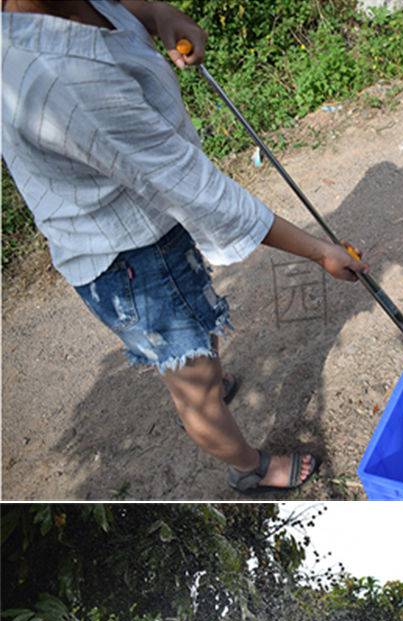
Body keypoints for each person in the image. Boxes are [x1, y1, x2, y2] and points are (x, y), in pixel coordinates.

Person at [1, 0, 368, 493]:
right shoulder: (61, 78)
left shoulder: (56, 10)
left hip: (141, 227)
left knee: (196, 347)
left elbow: (122, 9)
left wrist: (157, 15)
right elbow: (195, 189)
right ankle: (249, 467)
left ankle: (206, 385)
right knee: (194, 386)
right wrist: (319, 251)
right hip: (131, 259)